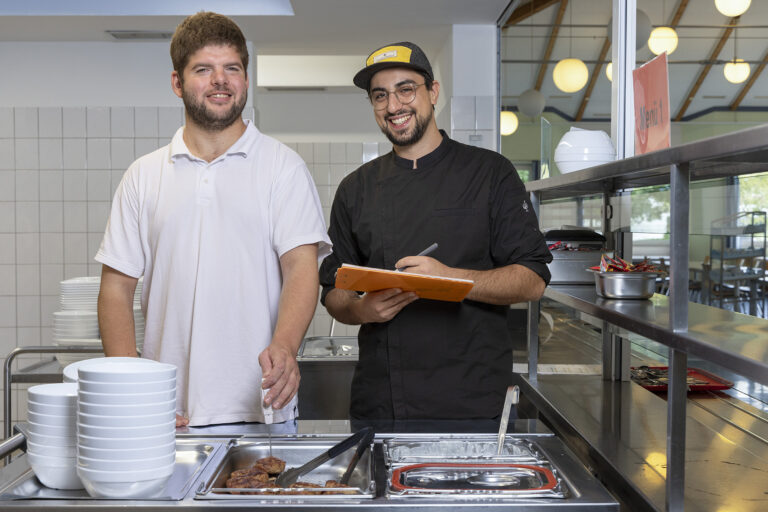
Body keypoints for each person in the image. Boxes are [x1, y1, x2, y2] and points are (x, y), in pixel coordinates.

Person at [96, 12, 331, 427]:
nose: (220, 80)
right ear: (177, 83)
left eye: (232, 69)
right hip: (166, 414)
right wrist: (133, 389)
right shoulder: (143, 175)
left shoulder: (283, 168)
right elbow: (116, 288)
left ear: (244, 79)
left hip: (263, 409)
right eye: (204, 69)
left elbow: (300, 267)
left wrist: (285, 345)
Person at [319, 42, 552, 420]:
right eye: (380, 96)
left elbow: (533, 279)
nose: (394, 106)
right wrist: (361, 309)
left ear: (433, 92)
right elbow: (333, 290)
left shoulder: (490, 173)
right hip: (383, 403)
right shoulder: (354, 189)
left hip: (471, 403)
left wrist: (451, 278)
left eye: (406, 89)